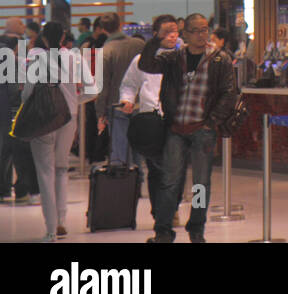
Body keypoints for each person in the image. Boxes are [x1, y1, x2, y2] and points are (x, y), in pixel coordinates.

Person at [139, 13, 238, 243]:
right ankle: (163, 230)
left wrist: (212, 120)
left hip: (203, 130)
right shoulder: (174, 58)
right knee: (170, 181)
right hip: (176, 127)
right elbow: (147, 64)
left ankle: (197, 228)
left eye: (205, 30)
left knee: (201, 184)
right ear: (186, 34)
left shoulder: (219, 60)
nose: (202, 35)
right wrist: (157, 39)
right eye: (196, 30)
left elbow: (228, 93)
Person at [24, 23, 91, 240]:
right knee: (62, 169)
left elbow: (27, 91)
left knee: (45, 172)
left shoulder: (35, 56)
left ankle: (51, 229)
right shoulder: (75, 56)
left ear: (43, 38)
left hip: (43, 118)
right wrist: (74, 102)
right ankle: (62, 221)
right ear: (63, 38)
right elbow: (93, 90)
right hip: (68, 118)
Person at [119, 15, 179, 222]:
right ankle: (161, 211)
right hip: (150, 120)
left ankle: (173, 207)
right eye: (167, 32)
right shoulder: (141, 60)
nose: (172, 36)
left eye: (175, 31)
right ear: (155, 35)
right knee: (156, 167)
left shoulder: (184, 58)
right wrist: (127, 100)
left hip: (177, 120)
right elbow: (129, 85)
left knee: (174, 167)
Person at [96, 13, 145, 167]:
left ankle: (125, 187)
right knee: (138, 150)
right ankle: (138, 182)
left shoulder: (105, 51)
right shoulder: (139, 44)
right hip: (140, 103)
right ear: (120, 24)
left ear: (103, 29)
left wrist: (100, 114)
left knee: (120, 152)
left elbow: (102, 86)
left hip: (116, 106)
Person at [0, 17, 38, 205]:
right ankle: (22, 189)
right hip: (16, 103)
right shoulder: (21, 47)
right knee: (20, 148)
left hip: (3, 102)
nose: (24, 27)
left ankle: (3, 188)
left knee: (4, 147)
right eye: (21, 24)